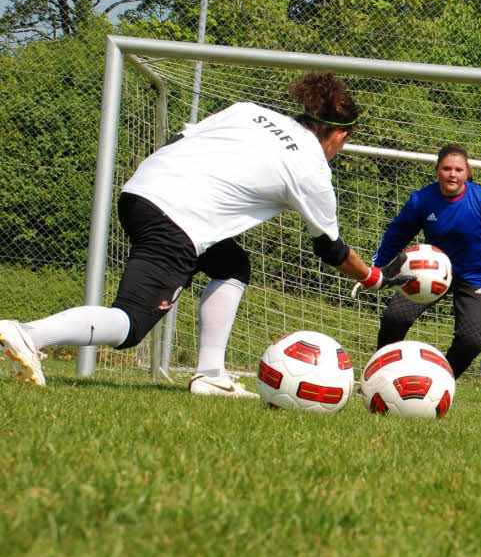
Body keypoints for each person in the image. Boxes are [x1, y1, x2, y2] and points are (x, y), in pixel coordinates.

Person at [0, 71, 410, 395]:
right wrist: (373, 277)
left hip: (140, 191)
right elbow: (331, 249)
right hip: (177, 218)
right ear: (339, 134)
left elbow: (182, 137)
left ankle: (210, 375)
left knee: (232, 263)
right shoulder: (312, 167)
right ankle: (29, 333)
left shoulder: (249, 111)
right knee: (130, 325)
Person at [359, 144, 481, 378]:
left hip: (476, 277)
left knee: (471, 342)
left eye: (458, 169)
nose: (452, 174)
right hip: (430, 271)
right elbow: (396, 235)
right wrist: (375, 269)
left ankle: (438, 381)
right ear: (437, 170)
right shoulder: (421, 200)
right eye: (446, 168)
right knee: (394, 318)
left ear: (466, 171)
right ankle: (377, 377)